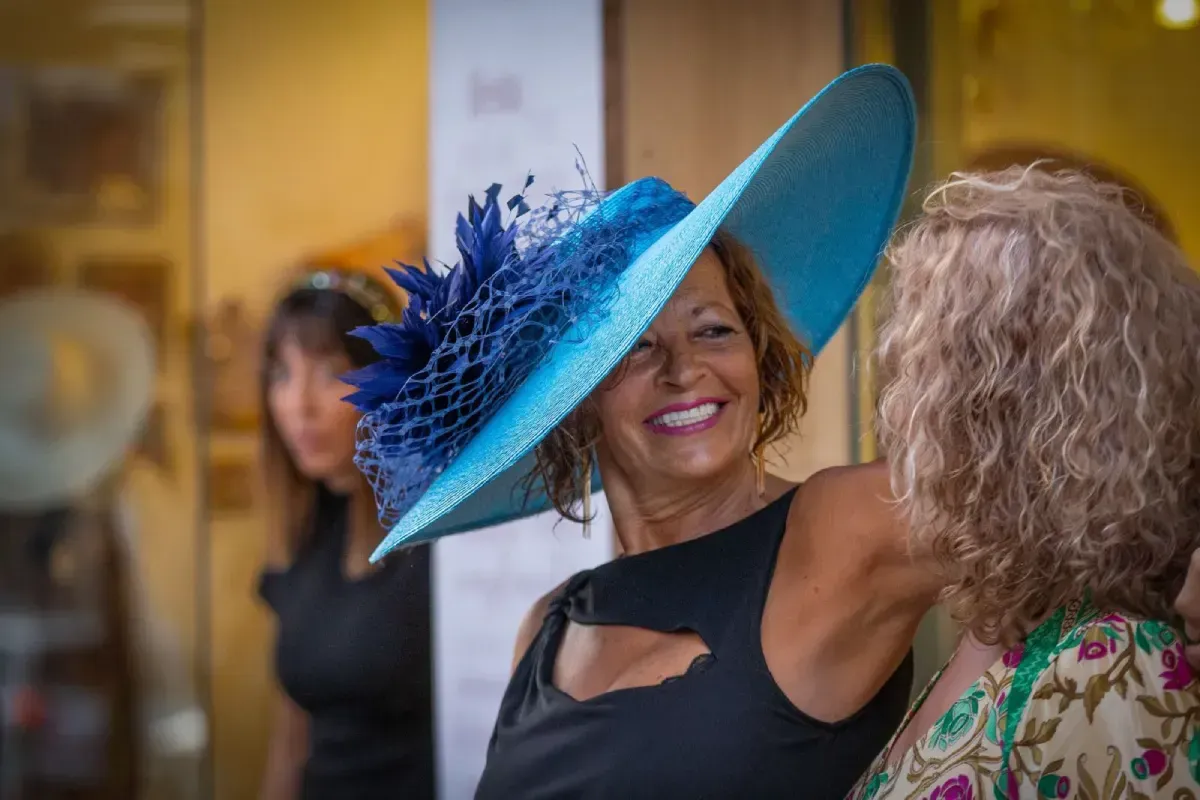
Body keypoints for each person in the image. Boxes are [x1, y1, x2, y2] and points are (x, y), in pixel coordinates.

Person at [346, 67, 1200, 798]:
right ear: (575, 409)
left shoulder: (842, 527)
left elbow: (1101, 505)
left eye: (714, 330)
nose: (685, 369)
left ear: (759, 355)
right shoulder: (546, 627)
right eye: (635, 349)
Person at [848, 167, 1200, 797]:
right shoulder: (1010, 630)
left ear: (996, 417)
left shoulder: (1106, 668)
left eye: (922, 373)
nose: (898, 411)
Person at [256, 232, 435, 800]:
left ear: (386, 383)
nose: (298, 405)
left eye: (329, 371)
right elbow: (292, 738)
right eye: (282, 374)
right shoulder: (305, 538)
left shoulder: (434, 541)